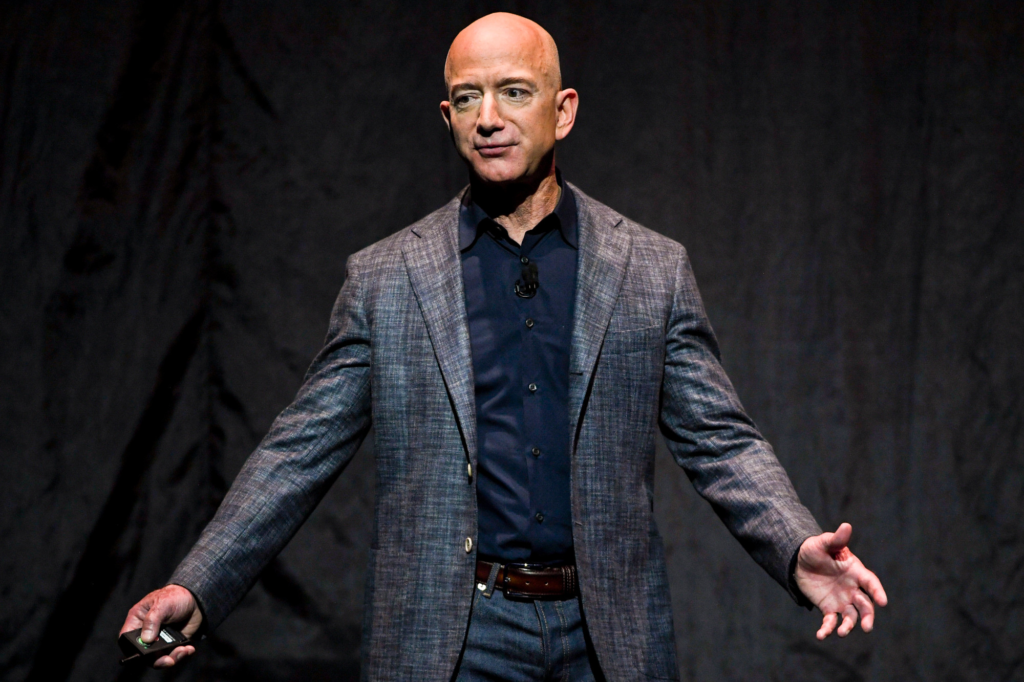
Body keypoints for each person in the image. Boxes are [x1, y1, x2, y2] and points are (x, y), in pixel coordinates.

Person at [120, 12, 887, 680]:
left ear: (564, 110)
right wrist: (199, 584)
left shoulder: (650, 269)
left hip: (605, 631)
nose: (488, 117)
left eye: (514, 92)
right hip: (452, 635)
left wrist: (792, 545)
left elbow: (720, 440)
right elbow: (299, 451)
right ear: (447, 116)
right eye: (467, 97)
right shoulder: (387, 279)